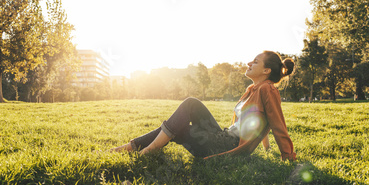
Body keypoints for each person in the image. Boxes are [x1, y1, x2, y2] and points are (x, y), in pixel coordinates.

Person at [110, 51, 296, 161]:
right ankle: (131, 147)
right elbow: (258, 124)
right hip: (222, 136)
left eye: (255, 61)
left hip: (227, 145)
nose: (249, 63)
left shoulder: (268, 89)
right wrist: (266, 147)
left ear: (266, 70)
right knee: (185, 114)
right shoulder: (253, 89)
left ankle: (145, 151)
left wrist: (287, 157)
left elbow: (276, 123)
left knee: (184, 116)